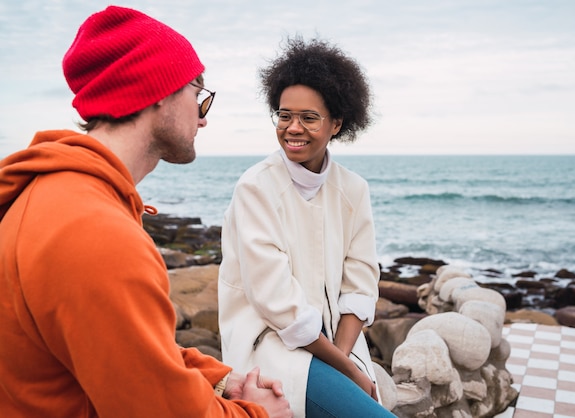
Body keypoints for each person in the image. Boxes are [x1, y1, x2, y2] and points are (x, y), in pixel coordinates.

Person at [0, 6, 292, 418]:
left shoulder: (52, 194)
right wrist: (257, 414)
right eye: (198, 94)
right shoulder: (96, 234)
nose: (203, 119)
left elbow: (126, 348)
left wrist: (219, 380)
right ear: (158, 90)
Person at [218, 37, 395, 418]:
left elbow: (361, 282)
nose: (292, 128)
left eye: (309, 118)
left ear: (337, 124)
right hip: (272, 346)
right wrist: (345, 370)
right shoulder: (255, 188)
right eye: (284, 115)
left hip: (336, 345)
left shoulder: (353, 189)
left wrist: (344, 359)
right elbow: (276, 302)